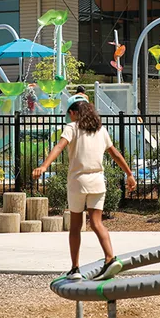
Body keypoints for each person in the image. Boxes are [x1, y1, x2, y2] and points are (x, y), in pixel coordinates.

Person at [32, 94, 136, 281]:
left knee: (76, 226)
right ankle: (110, 257)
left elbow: (58, 147)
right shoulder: (101, 131)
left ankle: (75, 268)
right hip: (98, 182)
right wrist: (129, 174)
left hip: (78, 183)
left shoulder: (72, 128)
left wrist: (44, 166)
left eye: (69, 114)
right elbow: (116, 155)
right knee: (97, 223)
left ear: (73, 112)